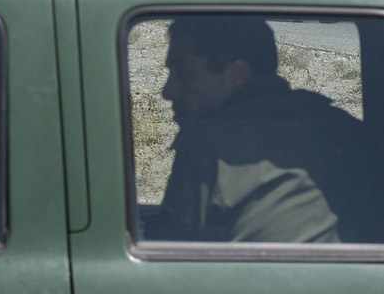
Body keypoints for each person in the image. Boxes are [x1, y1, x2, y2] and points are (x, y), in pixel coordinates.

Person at [145, 15, 339, 244]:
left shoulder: (210, 143)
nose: (168, 91)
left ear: (236, 75)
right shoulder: (339, 126)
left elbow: (173, 250)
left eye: (184, 74)